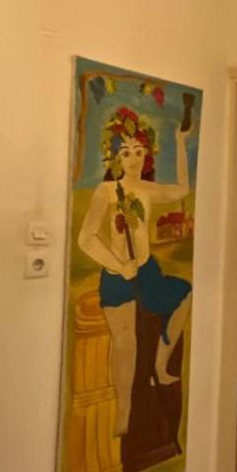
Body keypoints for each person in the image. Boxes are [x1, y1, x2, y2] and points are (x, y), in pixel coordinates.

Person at [78, 106, 193, 436]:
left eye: (139, 152)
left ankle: (160, 361)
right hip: (118, 276)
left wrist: (181, 142)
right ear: (114, 156)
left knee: (184, 294)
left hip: (147, 271)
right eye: (126, 152)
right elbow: (86, 238)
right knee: (126, 342)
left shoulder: (147, 189)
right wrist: (118, 266)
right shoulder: (106, 191)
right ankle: (123, 410)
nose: (133, 159)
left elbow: (182, 189)